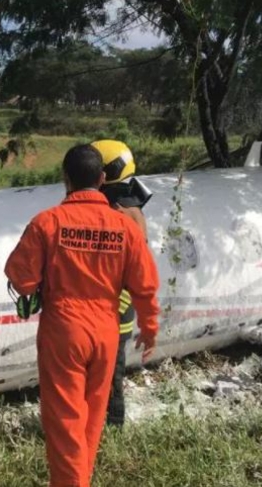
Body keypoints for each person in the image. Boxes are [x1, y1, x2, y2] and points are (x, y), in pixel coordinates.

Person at [4, 144, 160, 487]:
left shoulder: (48, 222)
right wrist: (149, 328)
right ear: (102, 179)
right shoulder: (126, 228)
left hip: (64, 332)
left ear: (65, 178)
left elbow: (21, 279)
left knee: (64, 424)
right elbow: (145, 285)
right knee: (90, 421)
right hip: (106, 332)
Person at [91, 139, 153, 427]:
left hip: (113, 313)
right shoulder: (130, 208)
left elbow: (136, 273)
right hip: (111, 311)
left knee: (110, 377)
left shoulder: (121, 214)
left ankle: (113, 426)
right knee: (107, 374)